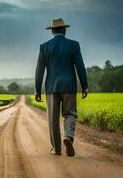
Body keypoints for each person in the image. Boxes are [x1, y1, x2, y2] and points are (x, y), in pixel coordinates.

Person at [35, 18, 88, 157]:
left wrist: (37, 89)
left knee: (53, 119)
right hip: (69, 86)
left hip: (51, 87)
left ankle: (56, 149)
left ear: (52, 31)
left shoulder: (44, 47)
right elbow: (80, 67)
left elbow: (39, 70)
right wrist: (85, 86)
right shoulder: (74, 45)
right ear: (64, 30)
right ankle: (68, 137)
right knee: (70, 114)